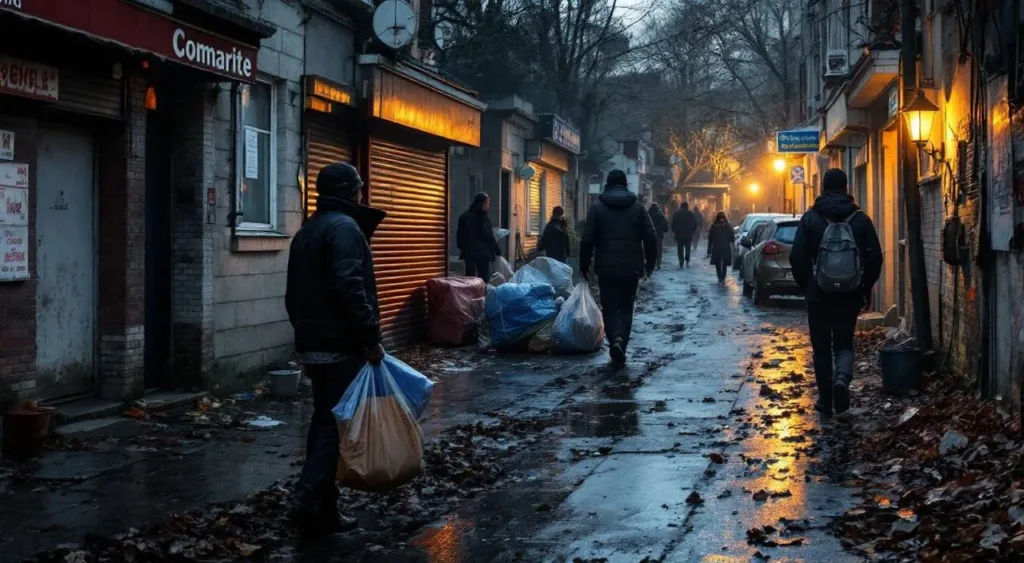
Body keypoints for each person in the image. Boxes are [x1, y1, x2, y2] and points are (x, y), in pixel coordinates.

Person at [285, 162, 386, 538]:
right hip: (340, 343)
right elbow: (349, 287)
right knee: (335, 423)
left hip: (314, 343)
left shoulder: (309, 230)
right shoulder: (344, 229)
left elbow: (295, 293)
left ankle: (325, 510)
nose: (363, 192)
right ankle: (306, 495)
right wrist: (370, 336)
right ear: (349, 191)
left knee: (325, 419)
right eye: (360, 186)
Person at [790, 168, 882, 416]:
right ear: (846, 187)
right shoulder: (860, 219)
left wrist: (809, 285)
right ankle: (842, 377)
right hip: (849, 294)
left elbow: (796, 257)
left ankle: (825, 400)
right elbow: (875, 258)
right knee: (843, 344)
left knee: (820, 348)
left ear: (822, 187)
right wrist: (864, 287)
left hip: (818, 295)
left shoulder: (810, 218)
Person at [580, 169, 658, 366]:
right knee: (626, 307)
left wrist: (584, 264)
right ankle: (621, 341)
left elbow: (587, 238)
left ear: (607, 184)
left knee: (610, 306)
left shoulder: (597, 207)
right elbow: (650, 237)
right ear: (626, 185)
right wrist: (650, 263)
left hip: (606, 268)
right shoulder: (638, 208)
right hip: (631, 267)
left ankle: (614, 338)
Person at [456, 192, 502, 282]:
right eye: (487, 203)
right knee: (483, 279)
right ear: (483, 203)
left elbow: (459, 235)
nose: (488, 206)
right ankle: (482, 295)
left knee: (470, 279)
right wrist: (497, 249)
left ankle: (470, 295)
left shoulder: (464, 216)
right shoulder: (482, 217)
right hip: (482, 254)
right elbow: (487, 235)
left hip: (468, 253)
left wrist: (462, 247)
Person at [707, 211, 734, 283]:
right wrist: (731, 241)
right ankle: (722, 278)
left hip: (717, 247)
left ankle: (720, 277)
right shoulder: (728, 226)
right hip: (725, 247)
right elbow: (732, 236)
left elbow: (710, 238)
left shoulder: (714, 226)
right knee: (724, 264)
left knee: (717, 263)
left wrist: (709, 248)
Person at [671, 201, 697, 267]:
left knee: (680, 249)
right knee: (688, 248)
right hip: (688, 234)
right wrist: (692, 231)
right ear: (687, 206)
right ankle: (687, 259)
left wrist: (674, 231)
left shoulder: (676, 213)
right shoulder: (691, 213)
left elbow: (673, 224)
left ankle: (681, 262)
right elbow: (695, 224)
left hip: (679, 234)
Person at [648, 203, 669, 269]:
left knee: (650, 249)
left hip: (650, 234)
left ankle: (651, 263)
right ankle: (658, 264)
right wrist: (665, 229)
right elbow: (666, 223)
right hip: (659, 234)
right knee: (659, 249)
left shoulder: (648, 215)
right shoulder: (660, 215)